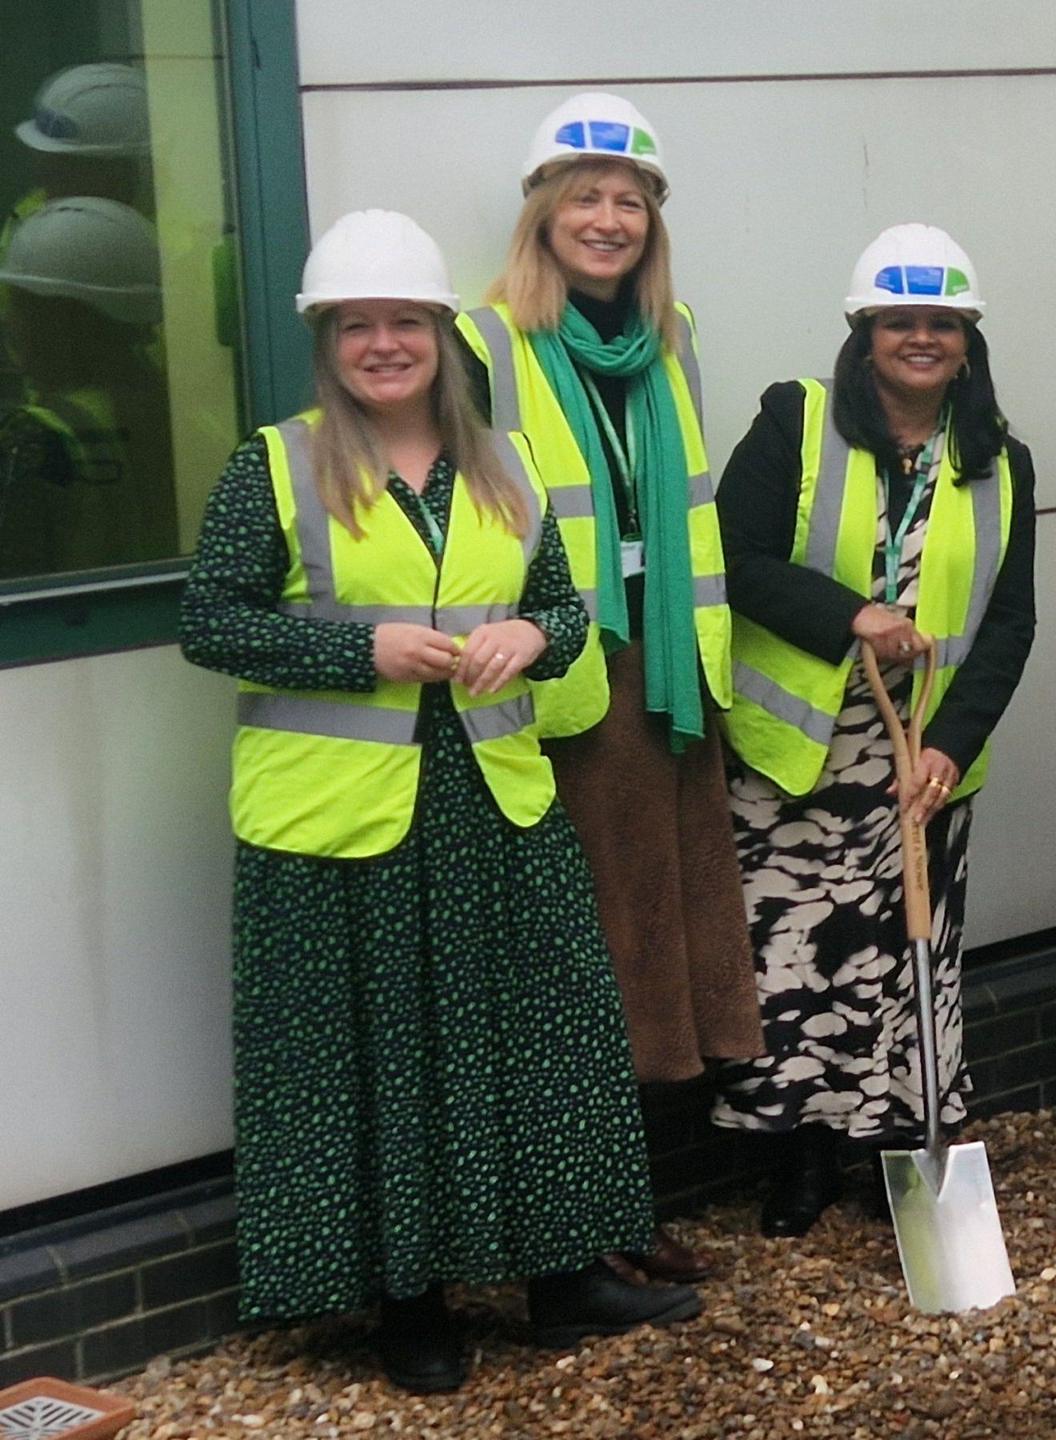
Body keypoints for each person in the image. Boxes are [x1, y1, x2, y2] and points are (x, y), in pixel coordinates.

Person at [177, 210, 699, 1394]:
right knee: (385, 1055)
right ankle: (411, 1302)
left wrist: (532, 631)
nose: (382, 344)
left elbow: (564, 613)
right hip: (336, 824)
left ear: (439, 334)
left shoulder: (507, 466)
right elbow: (210, 621)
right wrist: (363, 652)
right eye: (356, 326)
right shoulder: (274, 464)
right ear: (328, 342)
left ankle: (565, 1278)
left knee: (545, 1039)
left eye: (402, 321)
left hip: (494, 804)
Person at [457, 92, 760, 1283]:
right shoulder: (481, 344)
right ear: (540, 214)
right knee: (582, 959)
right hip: (554, 692)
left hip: (666, 678)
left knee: (656, 945)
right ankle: (581, 1226)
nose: (607, 218)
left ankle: (620, 1211)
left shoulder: (669, 332)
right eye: (583, 196)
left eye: (629, 201)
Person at [711, 223, 1036, 1236]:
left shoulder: (999, 461)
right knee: (802, 964)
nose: (923, 339)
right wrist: (851, 616)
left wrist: (953, 743)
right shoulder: (795, 424)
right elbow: (736, 555)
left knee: (907, 960)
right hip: (795, 752)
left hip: (921, 757)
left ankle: (897, 1156)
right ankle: (800, 1162)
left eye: (943, 323)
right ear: (864, 332)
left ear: (968, 339)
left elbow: (1010, 620)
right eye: (901, 321)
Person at [0, 196, 173, 575]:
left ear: (64, 321)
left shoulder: (33, 435)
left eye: (21, 305)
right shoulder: (175, 414)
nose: (9, 321)